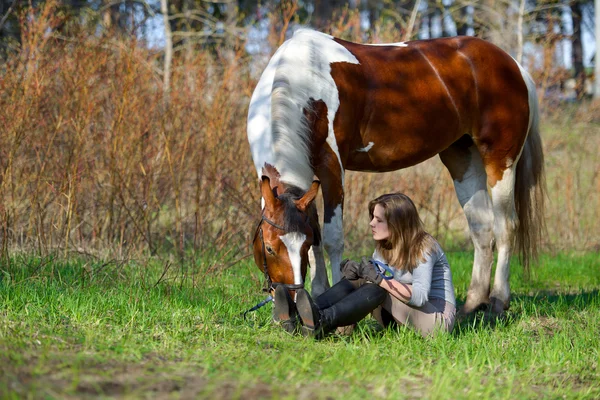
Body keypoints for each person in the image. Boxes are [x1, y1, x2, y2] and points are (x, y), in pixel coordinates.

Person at [273, 192, 456, 338]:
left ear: (397, 223)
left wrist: (378, 279)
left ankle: (322, 321)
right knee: (362, 279)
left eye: (379, 220)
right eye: (372, 217)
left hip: (436, 321)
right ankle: (300, 317)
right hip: (402, 318)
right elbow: (377, 279)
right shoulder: (384, 248)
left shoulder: (425, 246)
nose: (371, 223)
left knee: (379, 286)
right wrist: (356, 274)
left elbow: (420, 297)